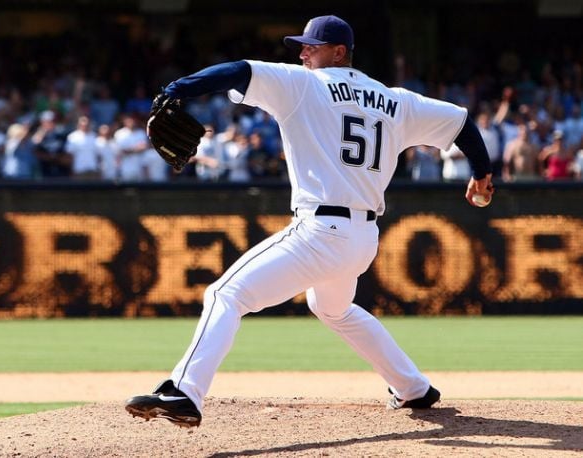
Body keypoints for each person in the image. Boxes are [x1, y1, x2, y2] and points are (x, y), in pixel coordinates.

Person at [125, 15, 493, 428]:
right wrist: (481, 173)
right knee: (332, 306)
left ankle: (184, 391)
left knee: (224, 294)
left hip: (321, 230)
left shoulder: (304, 85)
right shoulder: (398, 101)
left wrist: (176, 89)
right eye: (301, 46)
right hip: (362, 238)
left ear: (339, 52)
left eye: (311, 47)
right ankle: (413, 388)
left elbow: (237, 71)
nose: (302, 53)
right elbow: (462, 123)